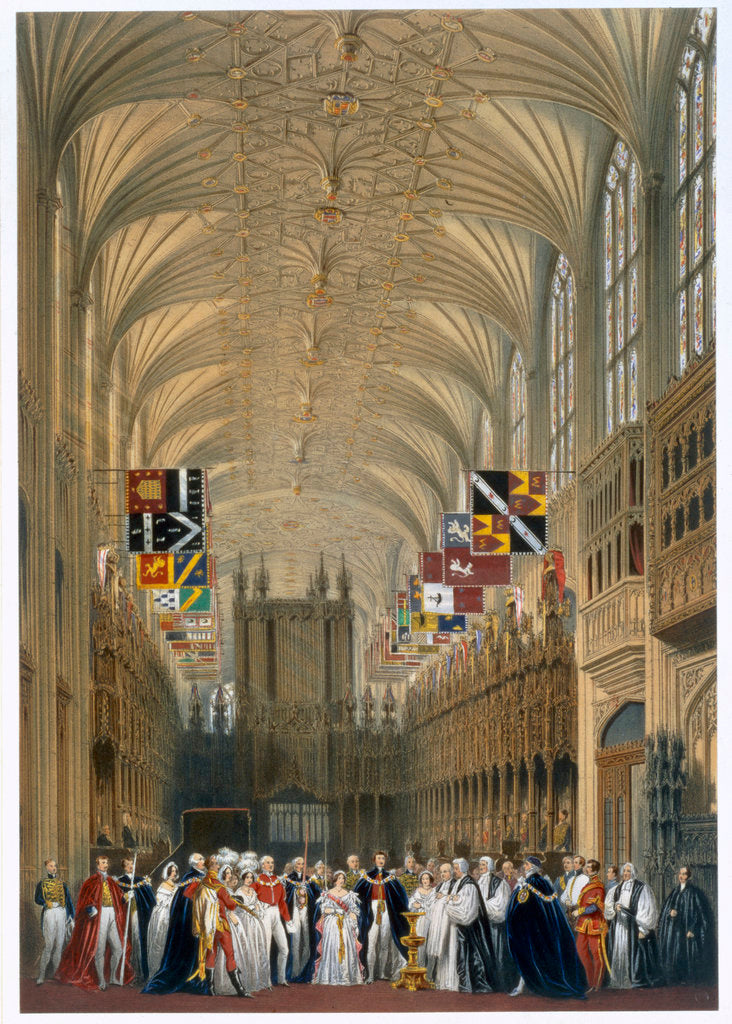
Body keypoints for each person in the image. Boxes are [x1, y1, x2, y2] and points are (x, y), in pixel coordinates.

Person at [506, 856, 587, 999]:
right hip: (531, 926)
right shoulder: (531, 882)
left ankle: (531, 985)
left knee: (534, 955)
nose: (524, 867)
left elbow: (530, 905)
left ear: (532, 867)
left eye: (526, 864)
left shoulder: (535, 882)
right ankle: (523, 985)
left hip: (535, 927)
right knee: (528, 955)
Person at [56, 854, 133, 990]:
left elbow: (119, 898)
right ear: (98, 865)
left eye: (106, 862)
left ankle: (113, 977)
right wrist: (91, 908)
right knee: (100, 950)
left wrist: (127, 896)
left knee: (118, 949)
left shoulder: (111, 881)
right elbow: (85, 899)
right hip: (100, 915)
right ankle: (102, 980)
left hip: (112, 914)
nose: (106, 865)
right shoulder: (91, 881)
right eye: (103, 863)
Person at [185, 856, 252, 997]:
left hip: (208, 926)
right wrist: (234, 900)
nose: (218, 866)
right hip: (221, 925)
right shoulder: (219, 885)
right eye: (216, 865)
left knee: (211, 954)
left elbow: (189, 895)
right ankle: (240, 990)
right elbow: (231, 905)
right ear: (212, 867)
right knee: (230, 955)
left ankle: (210, 990)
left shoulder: (201, 883)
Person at [143, 852, 207, 994]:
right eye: (201, 859)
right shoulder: (191, 878)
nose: (204, 860)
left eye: (203, 858)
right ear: (195, 863)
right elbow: (187, 902)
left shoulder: (197, 878)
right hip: (185, 921)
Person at [604, 862, 664, 989]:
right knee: (619, 950)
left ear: (633, 873)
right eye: (624, 871)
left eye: (628, 871)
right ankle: (618, 980)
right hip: (620, 926)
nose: (626, 874)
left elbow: (647, 910)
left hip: (633, 927)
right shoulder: (617, 888)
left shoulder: (642, 888)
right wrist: (615, 907)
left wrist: (643, 928)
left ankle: (633, 981)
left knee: (633, 953)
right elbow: (608, 906)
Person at [442, 858, 497, 992]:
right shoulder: (460, 883)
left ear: (462, 869)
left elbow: (467, 912)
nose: (454, 871)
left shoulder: (469, 885)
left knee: (468, 956)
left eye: (456, 868)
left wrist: (448, 907)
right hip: (459, 926)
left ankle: (468, 985)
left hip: (468, 928)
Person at [353, 850, 408, 982]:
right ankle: (371, 974)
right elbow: (356, 896)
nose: (381, 860)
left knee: (384, 943)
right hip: (372, 910)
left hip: (386, 911)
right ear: (374, 860)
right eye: (378, 858)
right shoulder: (366, 877)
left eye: (383, 858)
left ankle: (382, 972)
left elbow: (401, 897)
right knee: (372, 943)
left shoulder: (391, 877)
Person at [657, 866, 716, 987]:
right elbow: (667, 908)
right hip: (676, 930)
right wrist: (670, 912)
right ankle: (676, 978)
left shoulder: (694, 893)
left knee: (687, 954)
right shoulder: (675, 891)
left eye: (684, 874)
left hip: (687, 930)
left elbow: (701, 914)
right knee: (675, 952)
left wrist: (693, 929)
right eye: (680, 874)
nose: (681, 876)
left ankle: (687, 979)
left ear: (688, 877)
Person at [313, 870, 364, 985]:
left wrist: (353, 916)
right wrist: (337, 910)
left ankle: (346, 977)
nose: (341, 880)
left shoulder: (348, 893)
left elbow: (353, 909)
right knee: (333, 946)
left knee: (346, 946)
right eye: (339, 878)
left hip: (345, 923)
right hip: (332, 923)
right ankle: (330, 977)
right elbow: (324, 910)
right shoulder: (328, 893)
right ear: (335, 880)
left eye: (343, 878)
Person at [477, 855, 517, 992]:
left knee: (497, 954)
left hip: (494, 924)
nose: (480, 867)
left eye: (483, 864)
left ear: (489, 866)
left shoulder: (499, 883)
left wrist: (481, 907)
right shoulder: (478, 881)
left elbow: (500, 905)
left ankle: (499, 985)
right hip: (481, 923)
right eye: (480, 864)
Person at [254, 854, 294, 985]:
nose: (271, 865)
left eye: (272, 862)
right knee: (265, 948)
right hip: (264, 914)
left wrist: (288, 920)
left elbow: (282, 904)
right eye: (268, 862)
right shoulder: (257, 880)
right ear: (262, 865)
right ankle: (265, 980)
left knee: (284, 949)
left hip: (276, 912)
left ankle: (282, 979)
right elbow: (250, 899)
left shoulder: (277, 880)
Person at [230, 868, 271, 992]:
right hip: (245, 922)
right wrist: (249, 910)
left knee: (258, 948)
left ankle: (261, 980)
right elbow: (236, 908)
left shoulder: (253, 891)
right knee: (248, 948)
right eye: (247, 877)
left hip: (255, 922)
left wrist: (257, 909)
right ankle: (248, 981)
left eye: (251, 878)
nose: (249, 880)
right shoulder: (238, 891)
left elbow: (257, 903)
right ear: (243, 879)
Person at [34, 858, 74, 985]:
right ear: (47, 868)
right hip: (49, 913)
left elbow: (69, 902)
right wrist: (45, 902)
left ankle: (57, 974)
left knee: (59, 945)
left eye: (54, 866)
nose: (53, 868)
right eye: (51, 866)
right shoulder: (42, 883)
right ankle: (41, 975)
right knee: (49, 945)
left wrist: (71, 916)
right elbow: (37, 899)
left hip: (61, 913)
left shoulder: (62, 884)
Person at [117, 856, 156, 983]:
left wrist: (145, 889)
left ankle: (141, 973)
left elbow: (148, 897)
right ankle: (130, 973)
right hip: (127, 916)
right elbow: (117, 900)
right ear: (124, 867)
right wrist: (125, 897)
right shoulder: (120, 881)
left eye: (131, 864)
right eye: (127, 864)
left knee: (140, 942)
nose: (130, 866)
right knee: (131, 942)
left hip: (139, 915)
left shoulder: (140, 880)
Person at [572, 859, 609, 992]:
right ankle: (590, 982)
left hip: (594, 924)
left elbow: (595, 907)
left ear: (593, 870)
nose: (586, 869)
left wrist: (580, 911)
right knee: (581, 951)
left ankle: (597, 984)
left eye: (588, 867)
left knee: (596, 954)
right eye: (586, 867)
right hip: (583, 924)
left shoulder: (599, 886)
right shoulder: (587, 885)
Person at [285, 864, 319, 983]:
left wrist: (306, 893)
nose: (301, 866)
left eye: (303, 864)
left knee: (306, 940)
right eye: (298, 864)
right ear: (294, 865)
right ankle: (294, 971)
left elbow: (317, 894)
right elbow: (286, 895)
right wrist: (297, 892)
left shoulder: (309, 879)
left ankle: (305, 970)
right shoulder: (289, 878)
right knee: (295, 940)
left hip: (306, 913)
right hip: (294, 912)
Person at [424, 862, 455, 987]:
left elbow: (454, 899)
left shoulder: (455, 885)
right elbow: (430, 901)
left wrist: (444, 897)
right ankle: (429, 976)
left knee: (442, 948)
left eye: (445, 871)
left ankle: (440, 979)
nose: (443, 874)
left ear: (451, 872)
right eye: (441, 872)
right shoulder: (439, 885)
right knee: (432, 948)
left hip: (446, 921)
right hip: (436, 921)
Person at [146, 862, 179, 979]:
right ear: (168, 872)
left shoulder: (176, 886)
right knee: (159, 943)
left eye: (175, 871)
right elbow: (159, 902)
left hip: (173, 916)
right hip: (162, 917)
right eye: (172, 871)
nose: (174, 873)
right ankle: (155, 973)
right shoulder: (162, 886)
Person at [408, 870, 436, 966]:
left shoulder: (434, 891)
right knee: (420, 944)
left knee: (430, 944)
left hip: (431, 919)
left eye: (427, 878)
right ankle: (420, 966)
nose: (425, 880)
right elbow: (411, 903)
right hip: (420, 919)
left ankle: (429, 972)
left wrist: (421, 905)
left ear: (430, 880)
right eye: (423, 879)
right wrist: (413, 904)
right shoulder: (417, 891)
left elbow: (433, 906)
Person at [561, 855, 589, 920]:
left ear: (581, 865)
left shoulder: (585, 879)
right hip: (569, 911)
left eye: (576, 863)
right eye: (573, 862)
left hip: (580, 912)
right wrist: (566, 900)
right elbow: (563, 896)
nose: (573, 864)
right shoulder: (571, 879)